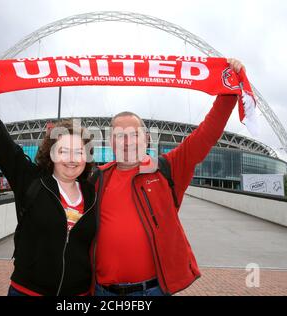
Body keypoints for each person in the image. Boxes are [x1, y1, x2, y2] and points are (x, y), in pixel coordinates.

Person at [92, 58, 246, 296]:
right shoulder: (96, 179)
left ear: (146, 139)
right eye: (119, 135)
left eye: (133, 134)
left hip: (151, 291)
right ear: (110, 141)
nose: (126, 141)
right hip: (102, 291)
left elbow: (207, 134)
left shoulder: (166, 169)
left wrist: (228, 89)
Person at [0, 99, 97, 296]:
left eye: (79, 152)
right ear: (51, 153)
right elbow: (0, 137)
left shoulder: (93, 193)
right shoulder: (31, 181)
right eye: (63, 151)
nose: (72, 159)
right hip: (28, 291)